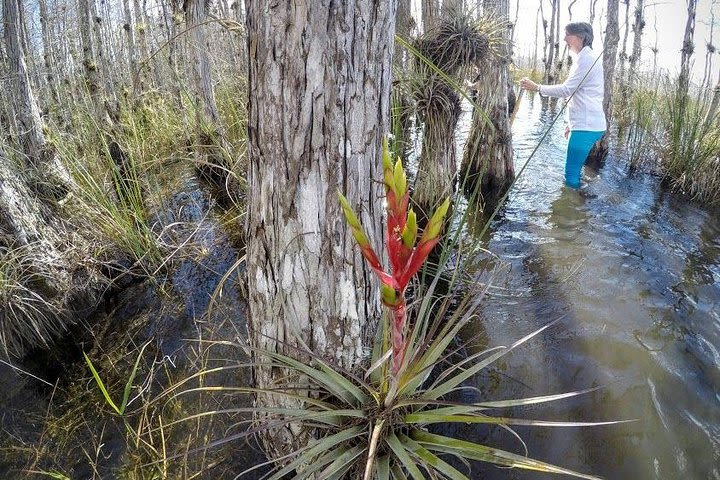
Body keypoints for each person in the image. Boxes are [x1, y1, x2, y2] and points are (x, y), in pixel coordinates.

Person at [519, 22, 606, 190]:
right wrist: (570, 123)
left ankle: (571, 211)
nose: (564, 38)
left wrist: (537, 87)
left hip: (586, 127)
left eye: (567, 34)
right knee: (576, 169)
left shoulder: (587, 59)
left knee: (571, 174)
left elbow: (567, 90)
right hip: (587, 124)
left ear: (579, 37)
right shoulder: (583, 57)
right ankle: (582, 199)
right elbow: (579, 94)